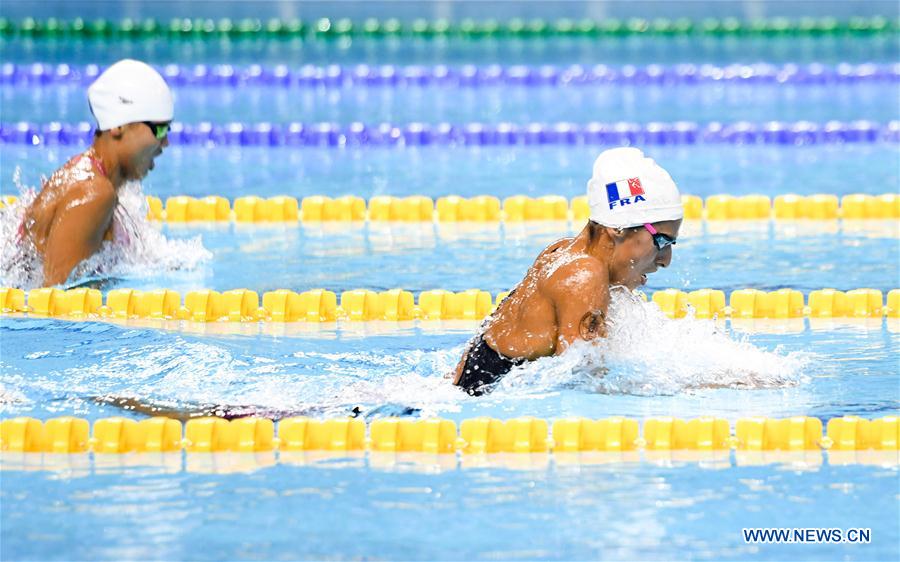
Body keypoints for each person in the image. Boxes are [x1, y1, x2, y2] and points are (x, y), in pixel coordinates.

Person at [452, 147, 684, 395]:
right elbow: (584, 382)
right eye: (661, 241)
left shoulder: (563, 251)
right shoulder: (584, 275)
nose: (666, 260)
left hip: (473, 391)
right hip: (490, 400)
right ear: (618, 227)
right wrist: (681, 388)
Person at [17, 59, 173, 287]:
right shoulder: (93, 194)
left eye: (167, 129)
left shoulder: (94, 180)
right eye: (158, 129)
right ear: (118, 126)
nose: (165, 142)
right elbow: (57, 304)